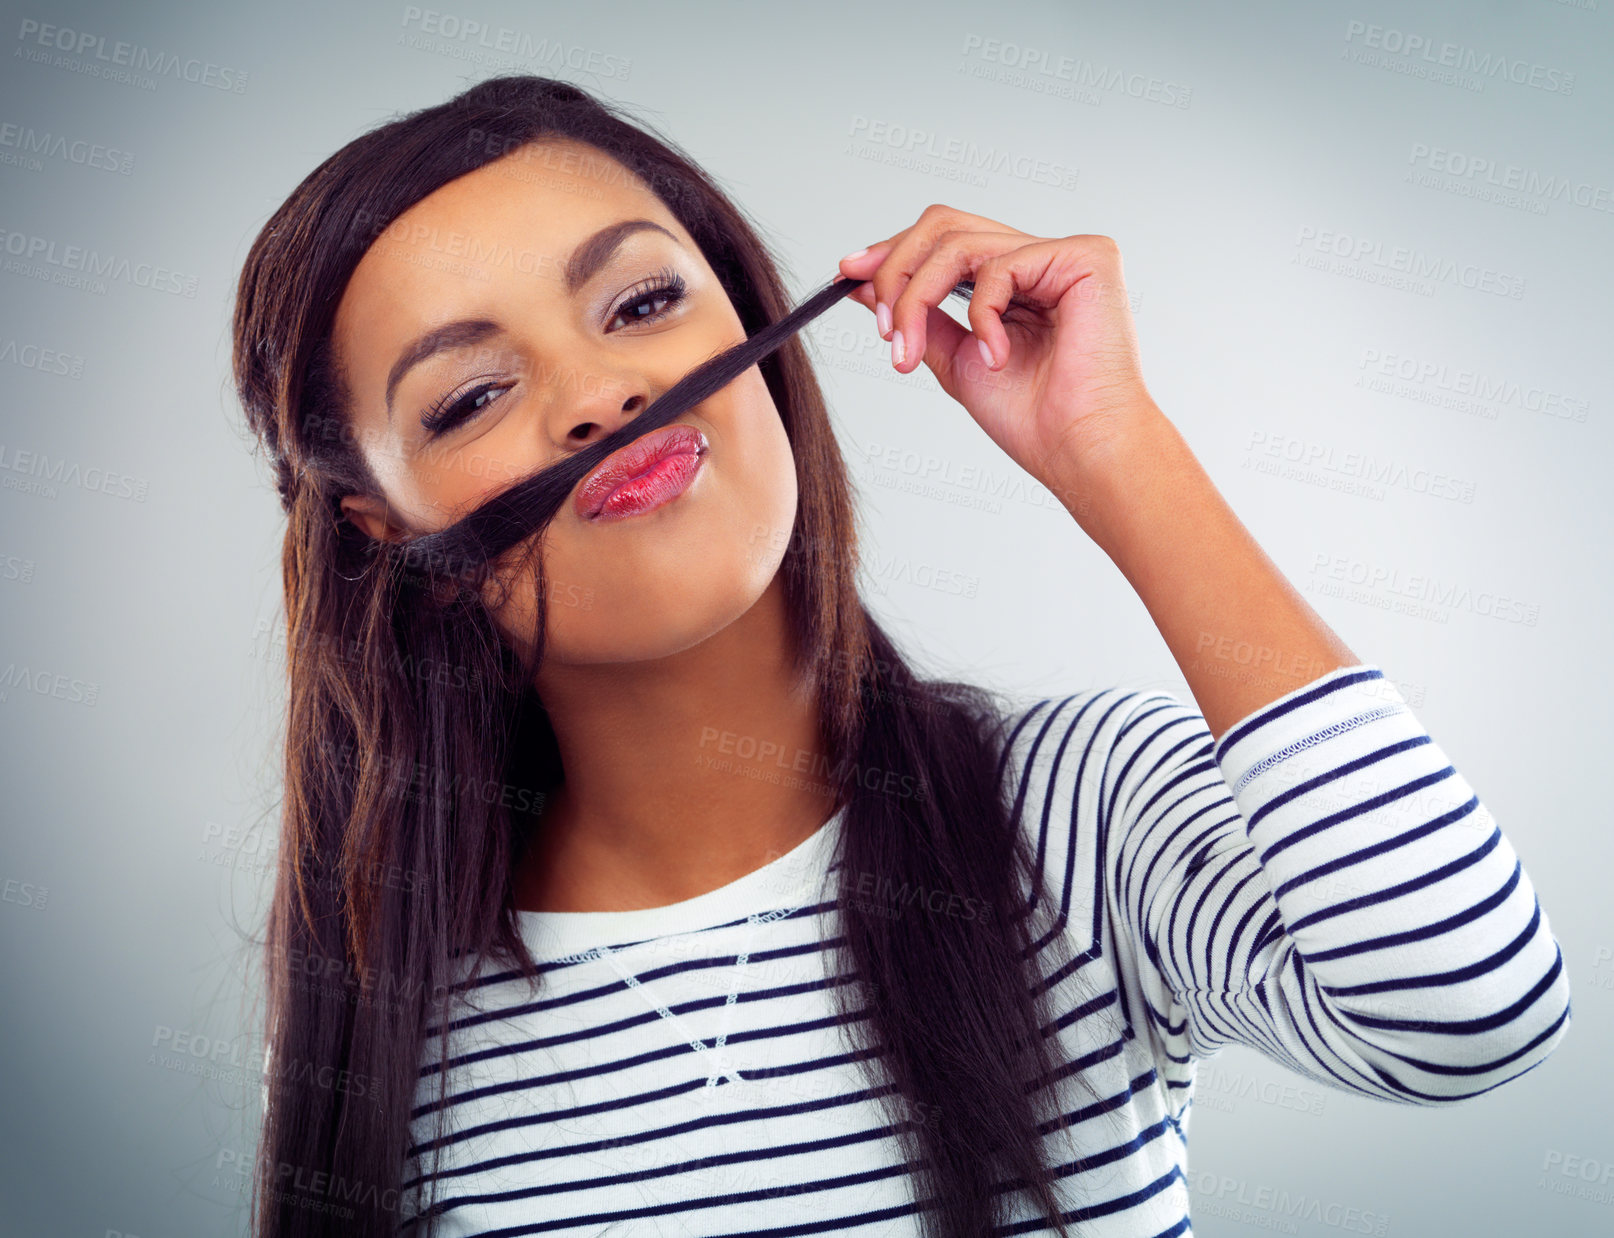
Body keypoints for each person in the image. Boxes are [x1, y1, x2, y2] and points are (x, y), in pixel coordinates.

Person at [231, 74, 1571, 1238]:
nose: (599, 393)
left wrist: (1109, 445)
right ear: (384, 527)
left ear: (752, 324)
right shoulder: (399, 1009)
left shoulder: (1071, 809)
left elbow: (1466, 1009)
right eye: (471, 395)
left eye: (640, 302)